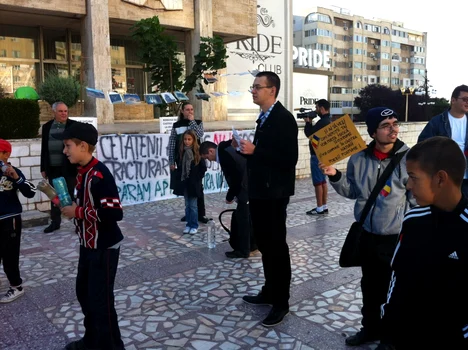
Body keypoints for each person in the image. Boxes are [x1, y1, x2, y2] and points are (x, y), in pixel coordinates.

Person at [321, 107, 412, 347]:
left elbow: (415, 199)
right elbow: (353, 191)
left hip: (395, 237)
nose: (393, 129)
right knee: (370, 287)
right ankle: (370, 329)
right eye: (385, 125)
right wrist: (334, 175)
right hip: (368, 235)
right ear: (373, 132)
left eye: (395, 123)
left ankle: (390, 337)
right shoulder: (358, 159)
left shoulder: (409, 158)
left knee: (393, 292)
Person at [381, 136, 468, 349]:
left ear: (440, 179)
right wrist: (390, 320)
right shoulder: (414, 220)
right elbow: (398, 275)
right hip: (409, 336)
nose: (408, 185)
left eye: (413, 177)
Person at [237, 71, 298, 327]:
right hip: (261, 192)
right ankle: (269, 291)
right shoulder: (264, 118)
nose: (253, 91)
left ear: (272, 90)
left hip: (274, 194)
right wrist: (247, 151)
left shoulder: (284, 119)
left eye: (257, 87)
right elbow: (266, 155)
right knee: (265, 245)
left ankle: (281, 302)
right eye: (253, 87)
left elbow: (288, 159)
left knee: (277, 248)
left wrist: (256, 151)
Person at [58, 123, 125, 350]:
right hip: (87, 245)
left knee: (101, 302)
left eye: (68, 146)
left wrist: (77, 212)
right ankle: (92, 341)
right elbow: (86, 205)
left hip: (104, 248)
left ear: (83, 146)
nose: (65, 151)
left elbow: (115, 213)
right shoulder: (82, 172)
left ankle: (111, 346)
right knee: (85, 294)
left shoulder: (100, 175)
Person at [200, 140, 256, 258]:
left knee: (243, 219)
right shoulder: (225, 147)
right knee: (246, 216)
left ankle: (244, 250)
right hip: (249, 184)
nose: (210, 161)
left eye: (208, 157)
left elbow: (236, 177)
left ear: (211, 151)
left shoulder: (224, 154)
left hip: (247, 186)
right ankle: (252, 244)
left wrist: (230, 196)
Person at [0, 139, 36, 303]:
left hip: (10, 219)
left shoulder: (14, 172)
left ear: (6, 154)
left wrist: (16, 178)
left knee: (9, 255)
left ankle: (16, 286)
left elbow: (31, 192)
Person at [418, 84, 468, 196]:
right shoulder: (437, 122)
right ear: (453, 100)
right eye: (465, 99)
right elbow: (422, 145)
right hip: (446, 176)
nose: (467, 102)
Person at [168, 101, 210, 223]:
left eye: (192, 110)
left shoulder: (197, 123)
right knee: (186, 186)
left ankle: (200, 214)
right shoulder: (177, 125)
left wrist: (192, 122)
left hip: (196, 160)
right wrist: (171, 160)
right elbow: (172, 144)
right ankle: (190, 213)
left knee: (197, 186)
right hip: (182, 161)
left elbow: (200, 134)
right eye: (187, 110)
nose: (190, 112)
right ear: (182, 111)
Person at [40, 101, 77, 233]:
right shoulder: (47, 127)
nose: (64, 113)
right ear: (54, 112)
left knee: (70, 195)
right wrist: (43, 168)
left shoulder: (73, 126)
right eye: (61, 111)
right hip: (52, 167)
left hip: (68, 167)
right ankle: (55, 222)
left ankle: (77, 223)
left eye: (66, 111)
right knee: (54, 196)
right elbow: (44, 149)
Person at [172, 130, 206, 235]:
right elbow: (180, 166)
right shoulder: (181, 151)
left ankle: (194, 224)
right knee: (187, 205)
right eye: (185, 139)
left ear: (193, 140)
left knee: (193, 205)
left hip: (194, 184)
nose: (187, 141)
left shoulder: (197, 152)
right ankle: (188, 224)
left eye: (189, 139)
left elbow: (203, 168)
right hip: (185, 183)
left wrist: (196, 179)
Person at [304, 99, 332, 215]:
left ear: (321, 108)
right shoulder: (328, 121)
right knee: (323, 181)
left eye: (316, 108)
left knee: (318, 182)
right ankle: (324, 206)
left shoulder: (322, 122)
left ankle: (319, 207)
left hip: (317, 156)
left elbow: (310, 135)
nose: (316, 110)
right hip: (325, 155)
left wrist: (307, 122)